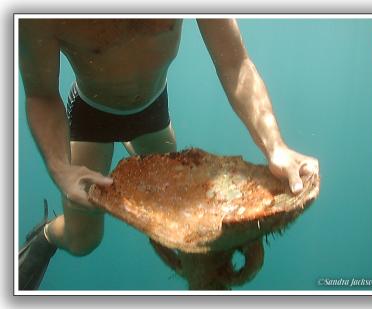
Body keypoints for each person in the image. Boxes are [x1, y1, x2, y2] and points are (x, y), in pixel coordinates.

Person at [18, 18, 319, 290]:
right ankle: (46, 236)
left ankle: (133, 156)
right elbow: (41, 96)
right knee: (83, 240)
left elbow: (235, 64)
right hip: (92, 114)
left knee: (183, 222)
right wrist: (61, 169)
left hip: (151, 111)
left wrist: (275, 145)